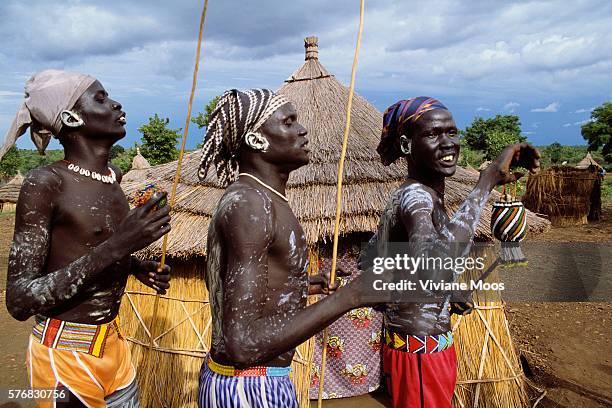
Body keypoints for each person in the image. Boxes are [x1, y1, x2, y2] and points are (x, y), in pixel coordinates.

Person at [197, 89, 389, 408]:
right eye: (288, 122)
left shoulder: (263, 199)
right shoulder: (251, 205)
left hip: (258, 382)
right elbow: (242, 342)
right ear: (257, 140)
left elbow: (250, 290)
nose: (302, 130)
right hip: (248, 387)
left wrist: (305, 284)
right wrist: (353, 295)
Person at [3, 69, 172, 407]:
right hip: (64, 359)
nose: (115, 104)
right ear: (71, 117)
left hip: (114, 348)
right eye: (100, 98)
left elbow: (90, 249)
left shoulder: (113, 177)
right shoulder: (46, 183)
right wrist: (119, 246)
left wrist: (134, 265)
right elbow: (19, 300)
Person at [365, 96, 540, 407]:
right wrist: (485, 182)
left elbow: (373, 264)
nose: (448, 143)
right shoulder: (417, 199)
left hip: (419, 344)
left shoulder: (412, 196)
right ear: (406, 145)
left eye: (452, 133)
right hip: (421, 349)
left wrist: (447, 291)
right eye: (433, 134)